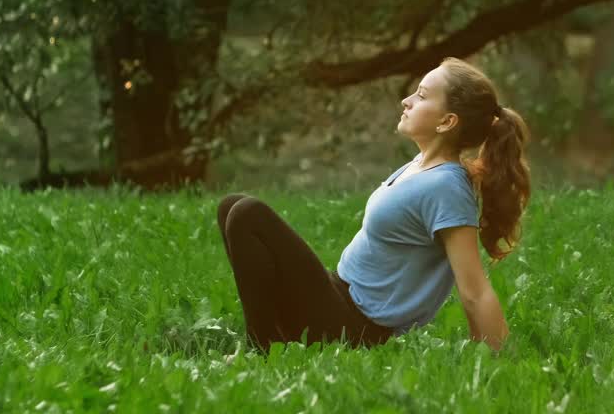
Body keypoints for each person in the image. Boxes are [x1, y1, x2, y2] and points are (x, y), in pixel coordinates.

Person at [216, 56, 531, 354]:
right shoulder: (422, 165)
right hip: (338, 294)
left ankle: (262, 348)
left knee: (248, 214)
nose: (406, 101)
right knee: (233, 206)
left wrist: (493, 360)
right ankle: (274, 337)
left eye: (421, 96)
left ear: (447, 121)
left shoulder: (446, 187)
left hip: (357, 326)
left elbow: (474, 290)